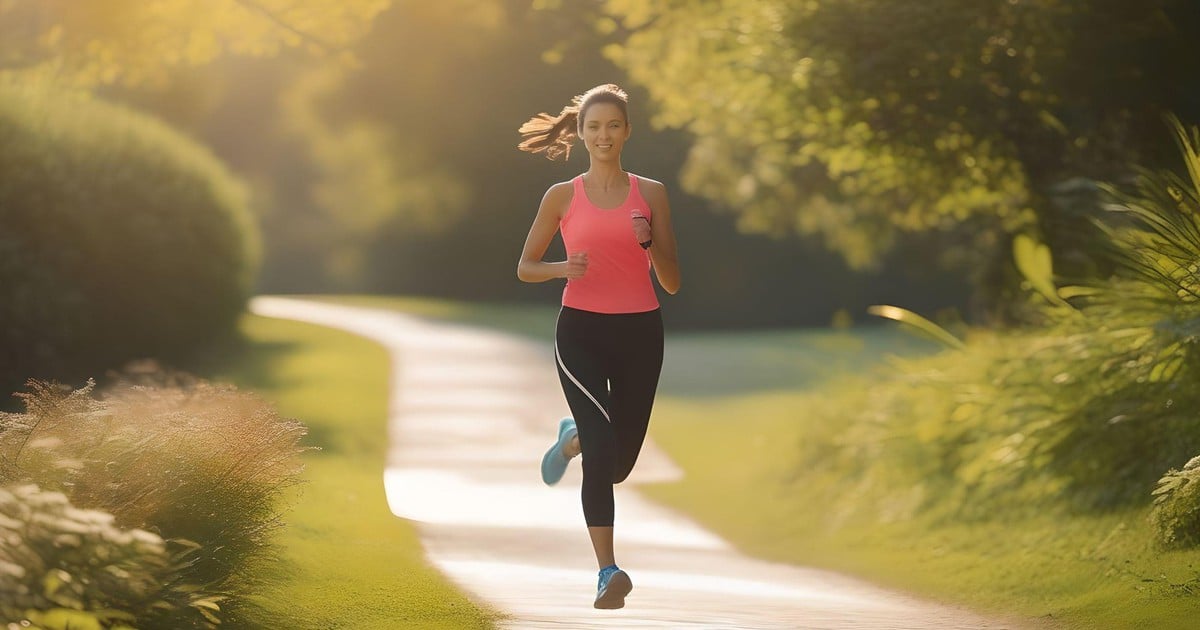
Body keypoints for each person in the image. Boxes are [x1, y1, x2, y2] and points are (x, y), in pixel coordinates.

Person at [515, 83, 681, 610]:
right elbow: (526, 267)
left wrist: (647, 243)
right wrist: (565, 267)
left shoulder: (651, 193)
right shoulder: (562, 195)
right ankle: (607, 570)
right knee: (603, 446)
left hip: (641, 333)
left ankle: (572, 439)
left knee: (617, 463)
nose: (603, 135)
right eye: (594, 127)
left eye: (613, 125)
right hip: (581, 331)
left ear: (627, 131)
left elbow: (673, 282)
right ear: (582, 134)